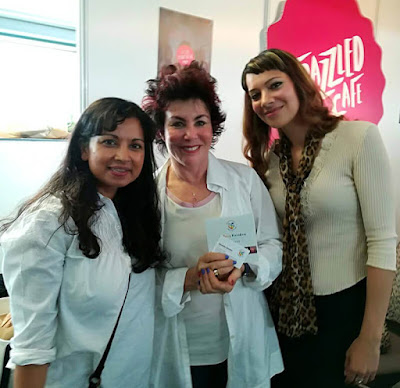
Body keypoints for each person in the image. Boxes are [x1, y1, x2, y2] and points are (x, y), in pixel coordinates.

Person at [241, 48, 397, 388]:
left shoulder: (359, 138)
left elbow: (383, 242)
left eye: (274, 85)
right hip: (284, 309)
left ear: (298, 83)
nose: (265, 99)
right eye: (255, 94)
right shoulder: (271, 160)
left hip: (343, 308)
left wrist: (370, 338)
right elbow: (268, 236)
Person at [0, 97, 164, 388]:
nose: (124, 156)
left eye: (135, 145)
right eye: (110, 142)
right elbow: (32, 348)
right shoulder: (49, 222)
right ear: (83, 148)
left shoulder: (134, 215)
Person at [143, 62, 283, 388]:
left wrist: (246, 267)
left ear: (212, 127)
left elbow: (272, 245)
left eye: (200, 122)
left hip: (240, 339)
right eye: (177, 123)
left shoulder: (244, 181)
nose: (191, 134)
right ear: (161, 131)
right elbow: (137, 279)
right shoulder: (147, 197)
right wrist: (189, 278)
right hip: (179, 345)